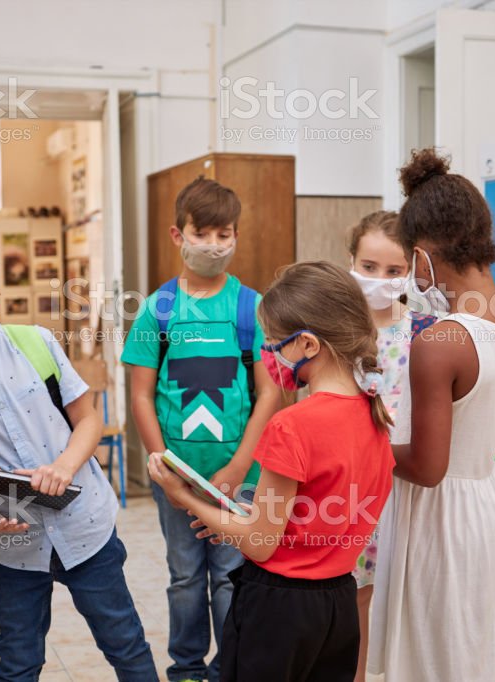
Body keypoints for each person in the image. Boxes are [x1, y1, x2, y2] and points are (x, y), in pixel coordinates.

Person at [0, 238, 158, 682]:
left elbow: (88, 419)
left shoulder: (37, 343)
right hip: (15, 547)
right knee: (18, 661)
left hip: (86, 532)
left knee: (124, 643)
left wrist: (64, 466)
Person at [149, 260, 395, 682]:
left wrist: (183, 497)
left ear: (310, 346)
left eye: (276, 344)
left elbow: (261, 543)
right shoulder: (376, 418)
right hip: (338, 602)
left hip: (279, 610)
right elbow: (306, 516)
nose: (269, 356)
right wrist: (234, 519)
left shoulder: (292, 424)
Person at [368, 148, 495, 681]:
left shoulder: (441, 341)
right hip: (490, 506)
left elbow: (428, 467)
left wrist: (368, 437)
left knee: (435, 655)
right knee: (478, 650)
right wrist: (465, 441)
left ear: (421, 256)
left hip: (443, 519)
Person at [122, 177, 280, 682]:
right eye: (202, 233)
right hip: (179, 480)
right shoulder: (157, 310)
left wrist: (239, 467)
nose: (213, 245)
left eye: (224, 234)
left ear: (236, 236)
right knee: (185, 577)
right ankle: (186, 669)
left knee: (232, 578)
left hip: (242, 477)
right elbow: (141, 396)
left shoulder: (251, 308)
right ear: (178, 234)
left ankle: (229, 666)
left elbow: (271, 394)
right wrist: (164, 468)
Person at [346, 210, 436, 681]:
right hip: (350, 487)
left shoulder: (424, 333)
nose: (380, 280)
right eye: (369, 267)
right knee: (356, 593)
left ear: (411, 271)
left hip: (407, 485)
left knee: (409, 594)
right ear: (351, 262)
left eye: (394, 271)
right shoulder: (337, 332)